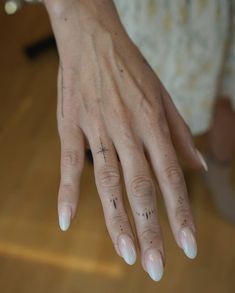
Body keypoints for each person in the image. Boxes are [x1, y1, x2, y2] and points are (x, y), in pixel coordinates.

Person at [39, 0, 234, 282]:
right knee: (149, 115)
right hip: (141, 15)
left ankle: (219, 169)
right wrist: (74, 10)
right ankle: (167, 179)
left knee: (225, 96)